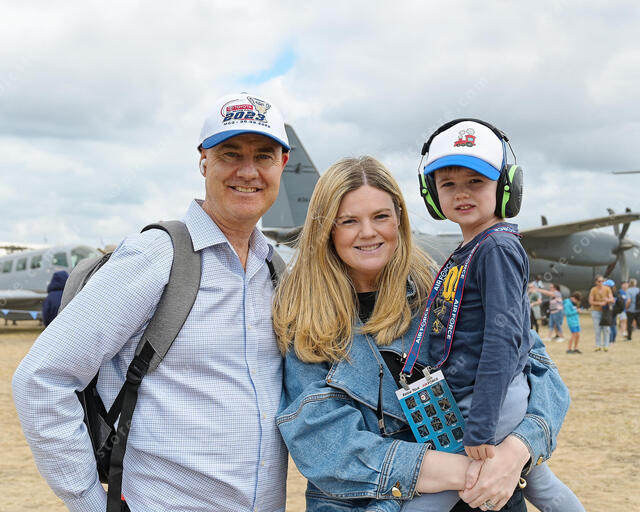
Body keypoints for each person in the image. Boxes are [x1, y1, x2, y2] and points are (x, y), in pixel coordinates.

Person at [13, 92, 291, 512]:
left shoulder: (273, 270)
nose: (248, 171)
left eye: (264, 156)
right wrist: (90, 503)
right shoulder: (156, 257)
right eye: (230, 153)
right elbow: (41, 377)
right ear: (204, 161)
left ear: (282, 164)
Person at [274, 154, 575, 512]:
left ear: (399, 219)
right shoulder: (306, 322)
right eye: (349, 221)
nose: (368, 232)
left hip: (490, 494)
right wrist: (467, 470)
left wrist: (518, 449)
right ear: (327, 230)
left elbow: (536, 366)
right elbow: (324, 444)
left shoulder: (445, 286)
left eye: (381, 217)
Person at [589, 275, 615, 352]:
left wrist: (607, 300)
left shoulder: (607, 289)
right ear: (596, 282)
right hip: (596, 311)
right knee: (597, 329)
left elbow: (612, 299)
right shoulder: (593, 290)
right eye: (599, 281)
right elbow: (591, 301)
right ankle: (598, 345)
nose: (601, 283)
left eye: (602, 281)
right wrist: (600, 303)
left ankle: (606, 345)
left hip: (605, 312)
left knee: (606, 329)